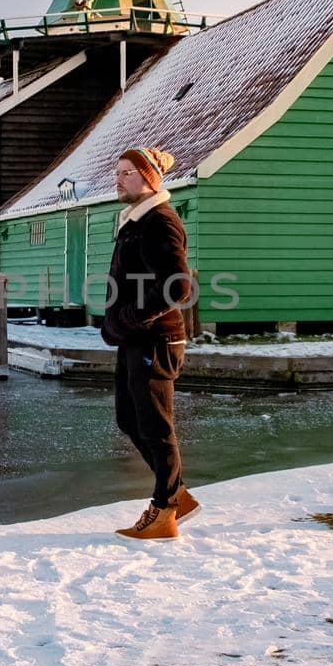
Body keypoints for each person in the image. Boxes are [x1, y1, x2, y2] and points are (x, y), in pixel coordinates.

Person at [100, 146, 201, 539]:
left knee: (157, 427)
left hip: (156, 339)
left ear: (149, 179)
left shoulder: (160, 221)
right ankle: (177, 494)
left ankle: (164, 510)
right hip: (135, 338)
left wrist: (127, 318)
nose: (118, 178)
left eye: (127, 172)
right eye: (118, 171)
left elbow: (177, 285)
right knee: (129, 419)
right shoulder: (135, 221)